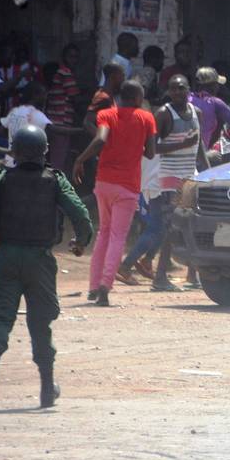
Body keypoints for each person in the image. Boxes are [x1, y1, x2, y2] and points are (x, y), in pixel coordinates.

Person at [0, 125, 92, 407]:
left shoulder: (0, 180)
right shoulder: (55, 180)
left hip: (8, 256)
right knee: (40, 323)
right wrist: (81, 240)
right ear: (44, 151)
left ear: (13, 152)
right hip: (41, 260)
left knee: (0, 316)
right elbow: (80, 214)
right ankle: (47, 386)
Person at [73, 80, 157, 307]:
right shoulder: (146, 118)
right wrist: (135, 144)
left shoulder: (107, 115)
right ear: (139, 98)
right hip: (128, 186)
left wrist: (80, 159)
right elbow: (150, 153)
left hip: (104, 183)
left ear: (121, 97)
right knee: (118, 236)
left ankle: (93, 286)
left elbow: (101, 138)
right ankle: (105, 286)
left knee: (104, 233)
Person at [116, 74, 200, 290]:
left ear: (189, 89)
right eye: (174, 89)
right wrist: (182, 145)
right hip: (164, 178)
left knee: (182, 224)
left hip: (187, 177)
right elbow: (151, 149)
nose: (178, 92)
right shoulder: (163, 115)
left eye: (182, 88)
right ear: (169, 91)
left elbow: (198, 146)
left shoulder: (195, 113)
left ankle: (189, 274)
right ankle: (148, 272)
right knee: (164, 227)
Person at [45, 44, 84, 171]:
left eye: (76, 57)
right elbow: (75, 98)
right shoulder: (65, 73)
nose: (74, 60)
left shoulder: (61, 72)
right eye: (71, 57)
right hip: (61, 122)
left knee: (55, 158)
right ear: (64, 57)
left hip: (54, 120)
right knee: (58, 161)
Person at [0, 83, 51, 165]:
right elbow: (54, 130)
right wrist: (78, 131)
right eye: (43, 94)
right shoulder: (38, 115)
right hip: (27, 164)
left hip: (9, 161)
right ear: (35, 95)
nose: (45, 98)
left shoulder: (14, 111)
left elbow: (1, 131)